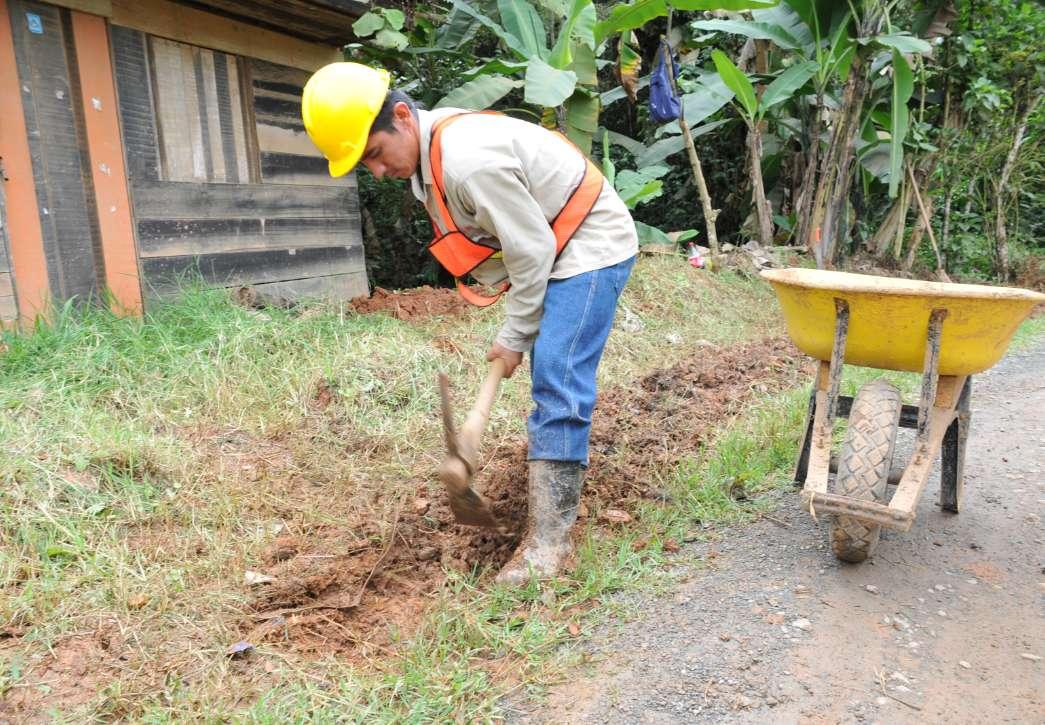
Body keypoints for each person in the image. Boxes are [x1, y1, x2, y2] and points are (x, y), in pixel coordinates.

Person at [301, 62, 638, 585]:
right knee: (545, 357)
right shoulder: (427, 163)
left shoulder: (466, 161)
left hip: (589, 242)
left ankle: (549, 543)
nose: (378, 172)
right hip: (550, 244)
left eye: (373, 154)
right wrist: (518, 330)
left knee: (557, 370)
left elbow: (531, 253)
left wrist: (513, 336)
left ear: (402, 117)